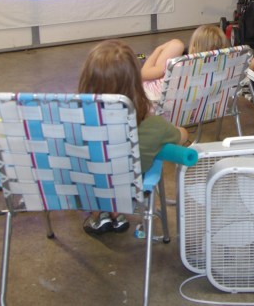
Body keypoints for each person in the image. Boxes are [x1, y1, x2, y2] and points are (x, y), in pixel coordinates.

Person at [79, 39, 189, 235]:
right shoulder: (153, 127)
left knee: (96, 170)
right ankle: (113, 211)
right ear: (136, 83)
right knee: (122, 172)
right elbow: (180, 136)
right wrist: (179, 131)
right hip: (129, 189)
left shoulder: (71, 125)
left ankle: (100, 213)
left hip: (83, 190)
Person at [141, 24, 229, 102]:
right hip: (194, 111)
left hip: (154, 100)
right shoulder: (225, 71)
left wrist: (158, 49)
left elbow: (143, 74)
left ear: (194, 47)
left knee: (176, 44)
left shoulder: (177, 65)